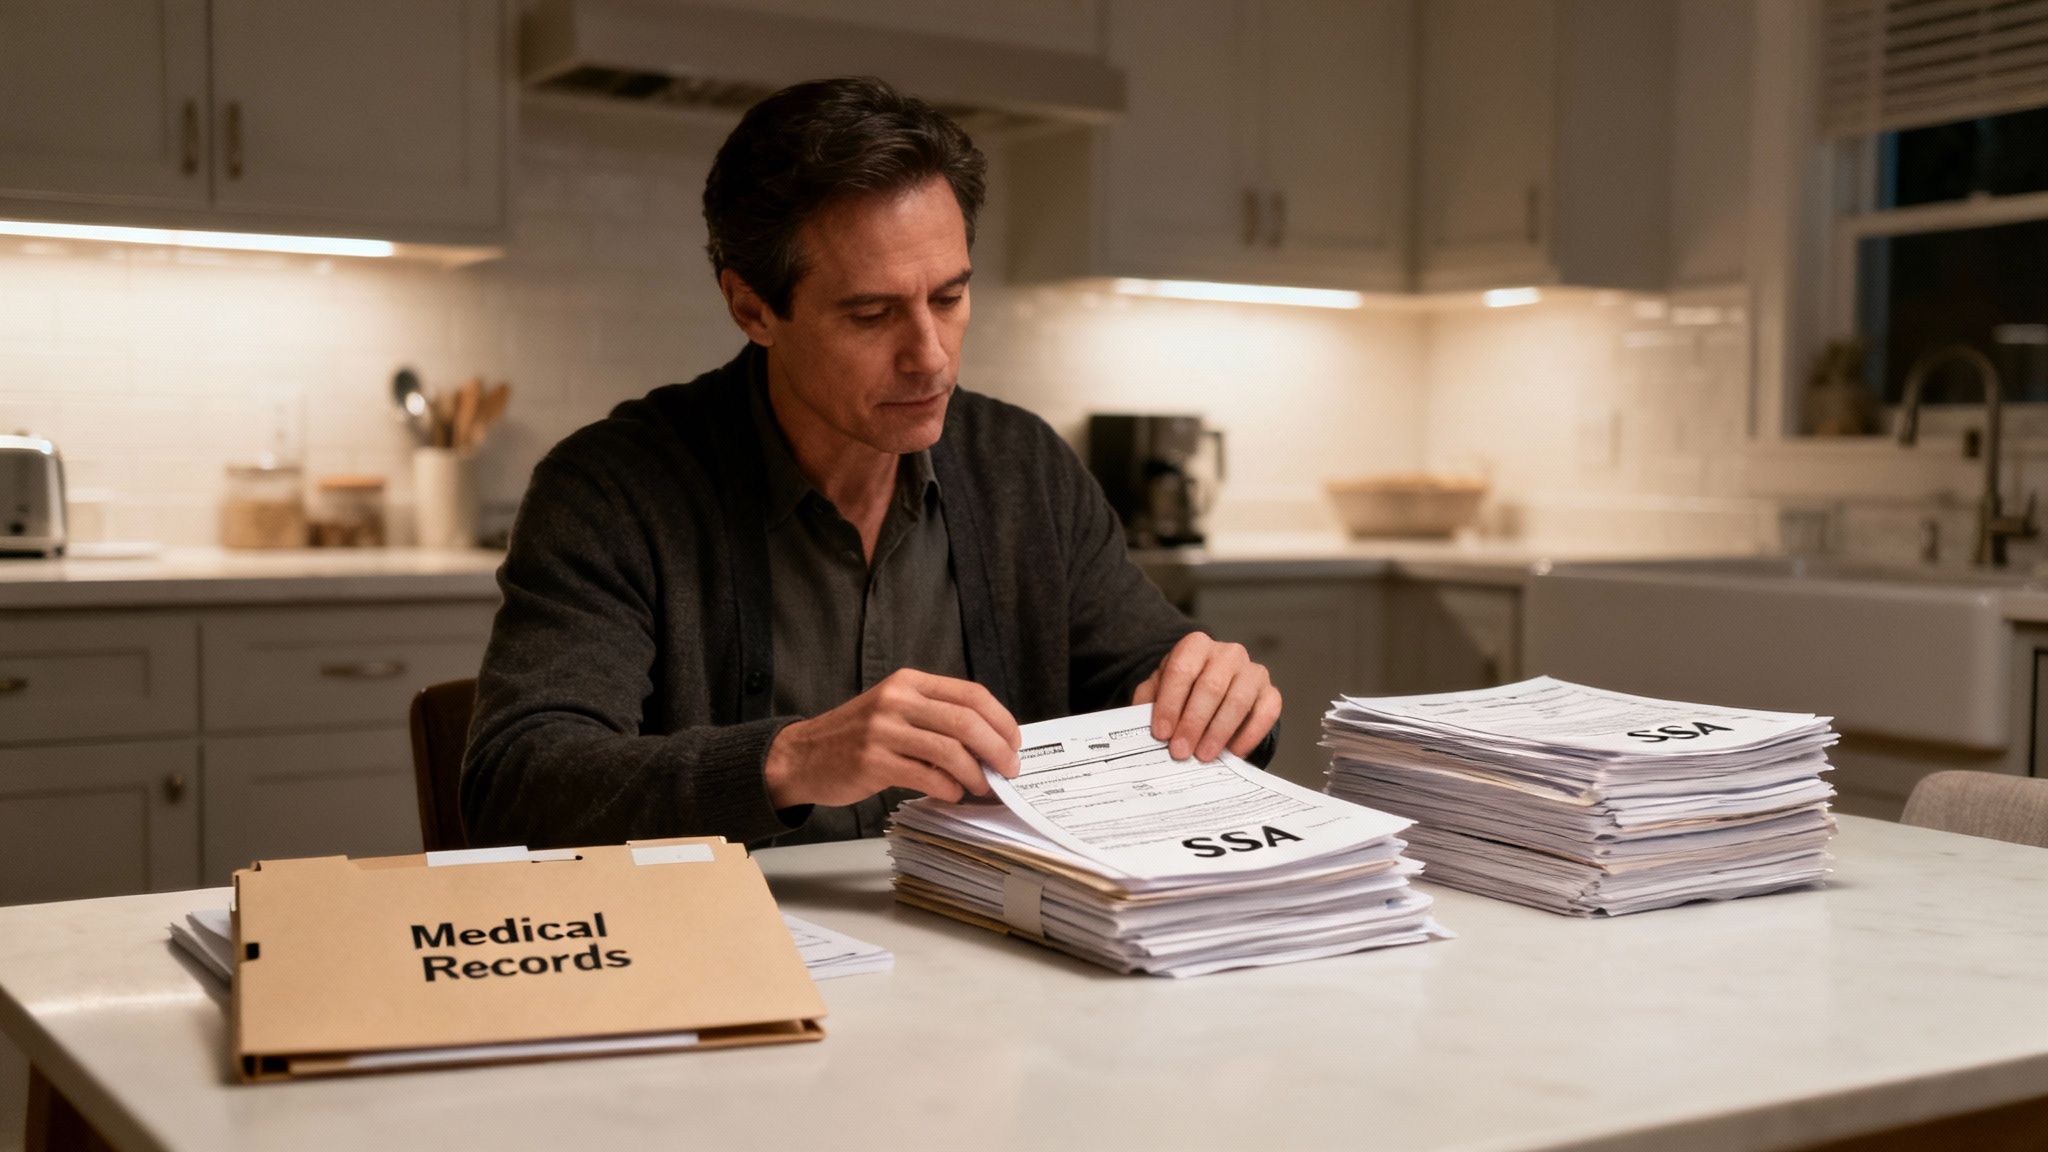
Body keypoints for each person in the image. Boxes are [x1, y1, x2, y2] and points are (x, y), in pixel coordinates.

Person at [462, 77, 1281, 850]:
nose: (929, 358)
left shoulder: (1020, 466)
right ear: (753, 307)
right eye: (870, 313)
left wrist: (1219, 697)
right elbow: (517, 786)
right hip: (736, 949)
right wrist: (793, 757)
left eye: (950, 298)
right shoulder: (613, 489)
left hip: (989, 951)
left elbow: (1153, 677)